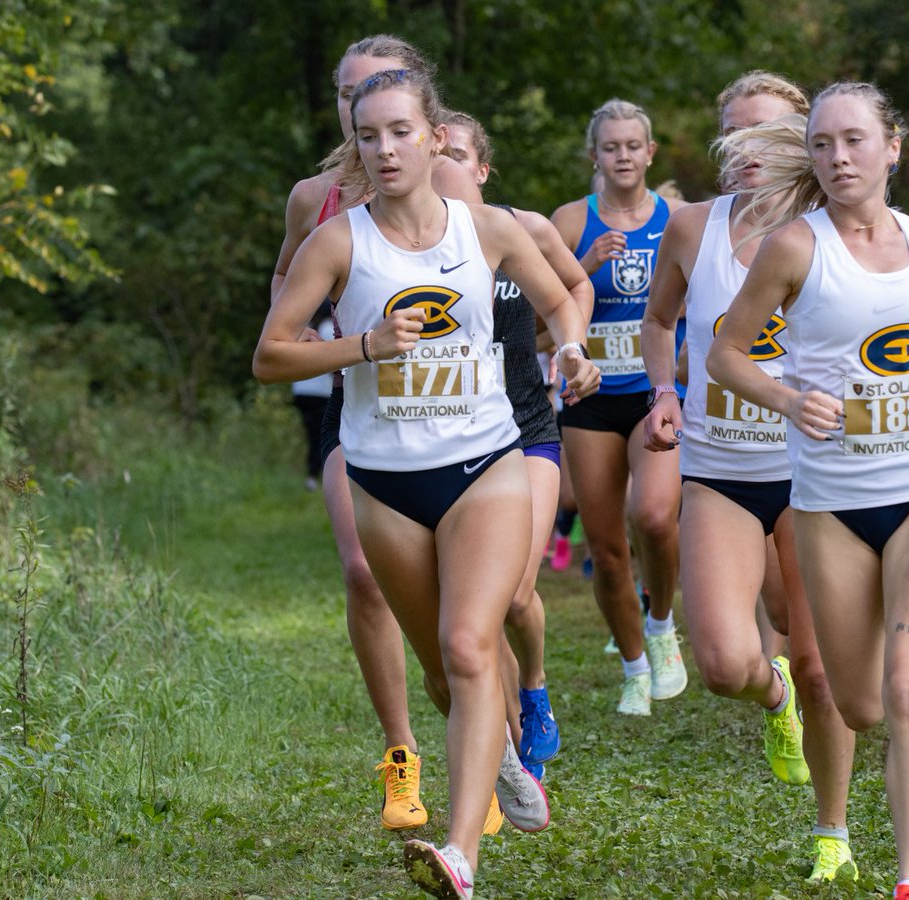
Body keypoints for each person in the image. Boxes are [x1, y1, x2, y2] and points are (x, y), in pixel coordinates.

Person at [256, 67, 599, 899]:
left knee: (467, 645)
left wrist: (573, 352)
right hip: (384, 479)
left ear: (436, 135)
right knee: (444, 675)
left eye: (400, 132)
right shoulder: (337, 243)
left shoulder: (486, 231)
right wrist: (365, 346)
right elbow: (272, 354)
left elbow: (562, 304)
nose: (384, 150)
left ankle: (459, 855)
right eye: (368, 136)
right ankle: (506, 754)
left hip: (486, 464)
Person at [707, 82, 909, 898]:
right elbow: (724, 355)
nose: (838, 158)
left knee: (906, 680)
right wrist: (787, 397)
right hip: (831, 505)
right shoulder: (795, 248)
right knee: (858, 705)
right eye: (822, 145)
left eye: (854, 141)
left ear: (893, 148)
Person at [641, 71, 858, 884]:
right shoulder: (693, 227)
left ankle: (831, 833)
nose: (744, 157)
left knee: (821, 659)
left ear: (799, 143)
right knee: (728, 664)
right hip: (721, 471)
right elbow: (658, 321)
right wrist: (665, 392)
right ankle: (772, 703)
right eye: (731, 139)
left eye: (763, 138)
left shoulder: (833, 235)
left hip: (816, 477)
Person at [269, 34, 482, 835]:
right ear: (345, 111)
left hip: (460, 413)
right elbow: (281, 318)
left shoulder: (449, 181)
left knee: (466, 601)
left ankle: (479, 732)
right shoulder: (313, 199)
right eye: (355, 99)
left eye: (388, 98)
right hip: (358, 406)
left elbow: (494, 272)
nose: (373, 121)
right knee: (364, 572)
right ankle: (402, 758)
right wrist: (347, 334)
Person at [443, 109, 596, 776]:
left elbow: (574, 287)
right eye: (432, 148)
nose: (438, 160)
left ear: (481, 168)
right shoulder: (408, 246)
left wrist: (568, 346)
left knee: (511, 595)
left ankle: (533, 688)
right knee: (473, 607)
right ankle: (502, 749)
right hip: (450, 441)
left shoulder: (521, 229)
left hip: (527, 430)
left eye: (453, 152)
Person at [550, 99, 688, 716]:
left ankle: (661, 625)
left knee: (655, 517)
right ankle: (634, 667)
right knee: (606, 547)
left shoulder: (680, 220)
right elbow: (536, 318)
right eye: (612, 147)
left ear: (650, 153)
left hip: (653, 391)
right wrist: (583, 266)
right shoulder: (569, 220)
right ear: (595, 156)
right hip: (591, 395)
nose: (624, 155)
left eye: (634, 145)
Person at [290, 301, 334, 491]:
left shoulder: (306, 329)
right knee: (325, 436)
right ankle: (321, 477)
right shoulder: (328, 329)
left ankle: (313, 475)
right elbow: (334, 363)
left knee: (312, 434)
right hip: (321, 393)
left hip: (300, 391)